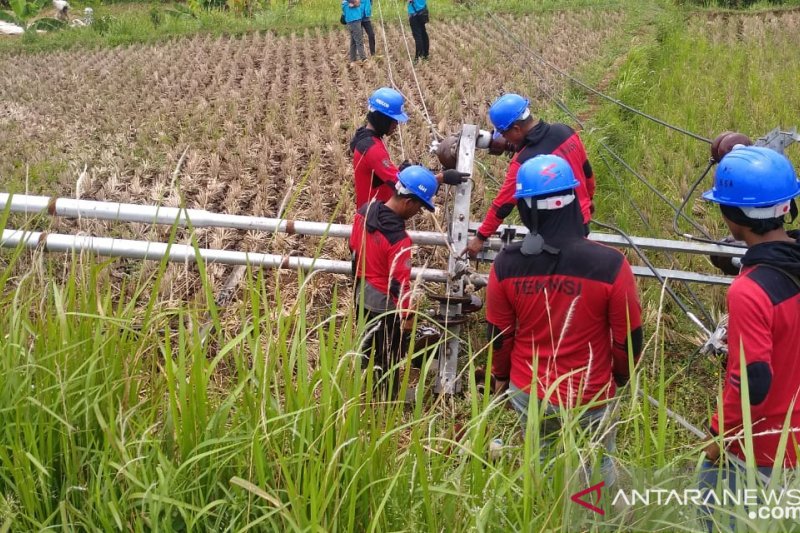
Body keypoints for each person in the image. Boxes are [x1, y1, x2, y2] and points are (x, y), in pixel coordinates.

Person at [485, 154, 642, 487]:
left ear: (524, 208)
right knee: (596, 468)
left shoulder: (505, 265)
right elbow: (628, 337)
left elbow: (499, 335)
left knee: (539, 461)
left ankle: (543, 513)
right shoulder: (611, 264)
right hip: (591, 393)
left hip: (529, 391)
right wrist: (620, 376)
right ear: (574, 201)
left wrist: (500, 376)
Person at [700, 146, 800, 494]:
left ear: (733, 216)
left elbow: (752, 384)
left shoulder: (749, 291)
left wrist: (716, 441)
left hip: (761, 448)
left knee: (709, 508)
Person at [465, 93, 596, 258]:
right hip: (581, 221)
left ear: (516, 129)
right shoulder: (566, 131)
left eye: (504, 134)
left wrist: (480, 237)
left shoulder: (523, 163)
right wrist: (588, 200)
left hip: (551, 235)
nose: (505, 139)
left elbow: (503, 205)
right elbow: (587, 173)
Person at [350, 165, 439, 389]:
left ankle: (363, 392)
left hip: (361, 294)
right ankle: (385, 404)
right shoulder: (399, 239)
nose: (417, 213)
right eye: (419, 207)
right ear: (409, 202)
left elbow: (353, 247)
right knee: (387, 358)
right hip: (384, 306)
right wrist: (407, 317)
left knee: (367, 349)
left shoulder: (363, 212)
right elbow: (399, 283)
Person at [350, 87, 469, 210]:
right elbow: (400, 184)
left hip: (372, 211)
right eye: (394, 120)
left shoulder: (366, 138)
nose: (396, 124)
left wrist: (402, 171)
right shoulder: (372, 148)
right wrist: (441, 178)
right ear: (382, 119)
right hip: (373, 219)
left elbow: (381, 176)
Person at [342, 0, 366, 66]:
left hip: (353, 20)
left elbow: (357, 3)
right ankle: (364, 59)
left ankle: (353, 60)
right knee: (359, 40)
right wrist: (356, 3)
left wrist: (355, 4)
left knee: (353, 42)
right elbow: (357, 2)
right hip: (354, 20)